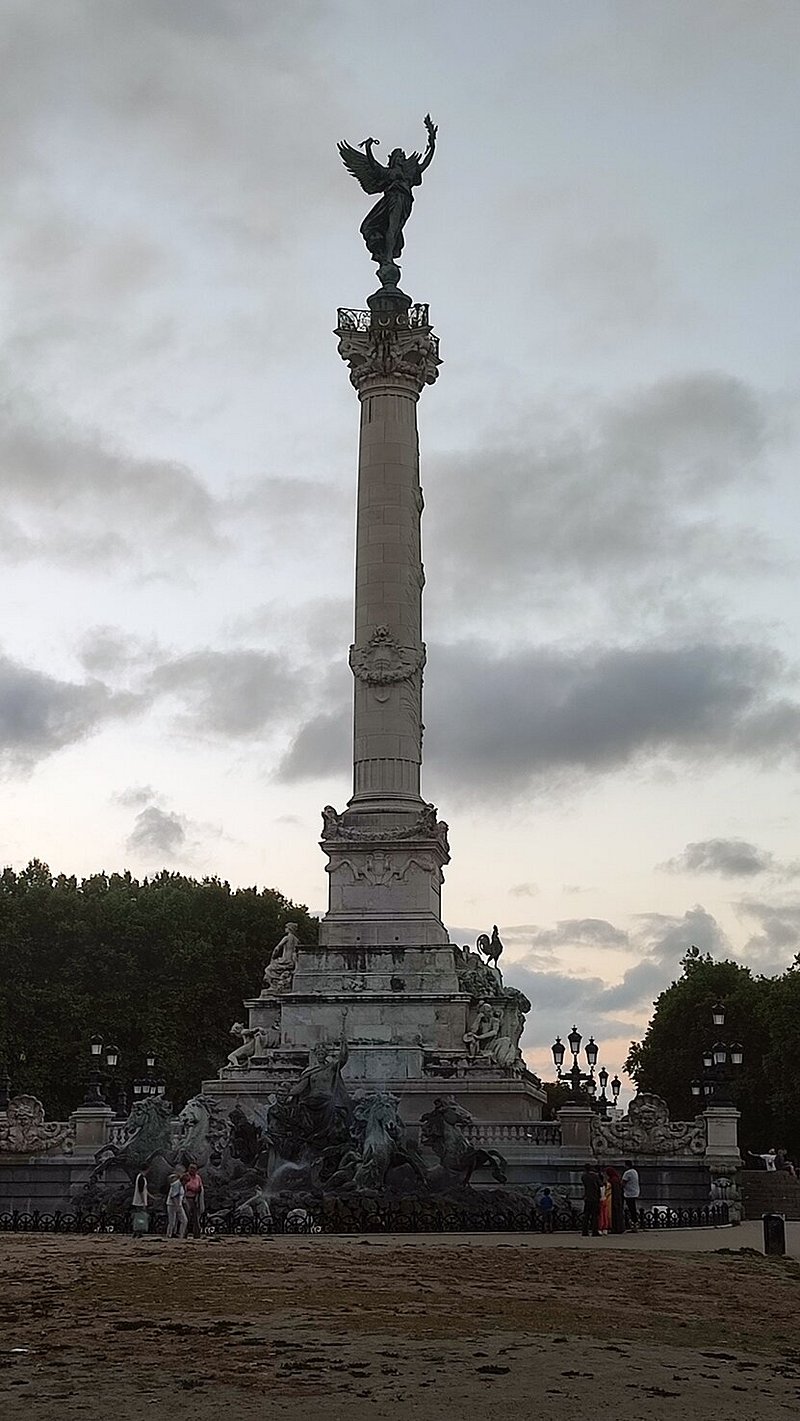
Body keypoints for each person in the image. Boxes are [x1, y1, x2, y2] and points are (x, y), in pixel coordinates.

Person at [183, 1163, 205, 1239]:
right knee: (186, 1217)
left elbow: (200, 1187)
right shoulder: (185, 1176)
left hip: (195, 1199)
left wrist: (198, 1190)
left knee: (196, 1217)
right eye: (191, 1168)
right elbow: (184, 1186)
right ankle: (184, 1233)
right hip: (187, 1198)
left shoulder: (198, 1178)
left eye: (194, 1168)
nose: (192, 1170)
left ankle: (197, 1234)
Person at [166, 1171, 188, 1239]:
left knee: (184, 1220)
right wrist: (177, 1206)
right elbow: (174, 1196)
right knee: (172, 1222)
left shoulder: (182, 1185)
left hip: (179, 1204)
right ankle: (169, 1234)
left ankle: (181, 1234)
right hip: (172, 1205)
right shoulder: (176, 1184)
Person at [581, 1162, 601, 1237]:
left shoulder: (584, 1176)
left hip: (587, 1197)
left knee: (586, 1215)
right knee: (595, 1215)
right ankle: (594, 1231)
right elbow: (601, 1184)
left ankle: (584, 1231)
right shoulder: (595, 1176)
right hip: (595, 1198)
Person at [621, 1160, 640, 1231]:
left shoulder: (627, 1173)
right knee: (633, 1208)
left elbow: (623, 1183)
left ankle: (633, 1223)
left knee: (631, 1209)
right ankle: (635, 1223)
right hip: (635, 1192)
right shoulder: (635, 1172)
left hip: (629, 1193)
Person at [607, 1166, 625, 1234]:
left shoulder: (613, 1180)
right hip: (617, 1199)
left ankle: (616, 1228)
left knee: (615, 1215)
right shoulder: (616, 1179)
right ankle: (619, 1228)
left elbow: (615, 1190)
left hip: (614, 1199)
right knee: (618, 1214)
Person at [131, 1172, 150, 1238]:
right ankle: (138, 1231)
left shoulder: (140, 1177)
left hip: (139, 1200)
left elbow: (144, 1190)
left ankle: (136, 1231)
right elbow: (141, 1190)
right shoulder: (141, 1178)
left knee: (139, 1216)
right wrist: (143, 1201)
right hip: (140, 1201)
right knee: (140, 1217)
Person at [597, 1168, 612, 1235]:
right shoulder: (607, 1184)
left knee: (601, 1215)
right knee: (605, 1215)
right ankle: (605, 1228)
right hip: (606, 1200)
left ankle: (600, 1228)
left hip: (600, 1200)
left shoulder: (599, 1186)